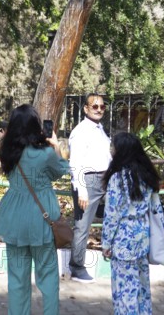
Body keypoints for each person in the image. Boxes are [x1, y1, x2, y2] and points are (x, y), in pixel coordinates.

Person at [0, 104, 69, 314]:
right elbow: (62, 170)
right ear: (35, 126)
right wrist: (55, 144)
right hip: (42, 220)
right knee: (48, 276)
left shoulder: (8, 153)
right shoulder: (45, 153)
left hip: (14, 219)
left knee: (17, 278)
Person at [101, 132, 164, 315]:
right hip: (142, 238)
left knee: (125, 290)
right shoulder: (146, 175)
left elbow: (112, 215)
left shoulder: (117, 178)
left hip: (122, 241)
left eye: (114, 147)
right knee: (142, 289)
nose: (112, 150)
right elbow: (157, 210)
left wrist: (106, 243)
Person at [68, 93, 111, 282]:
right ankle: (77, 267)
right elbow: (75, 163)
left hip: (104, 179)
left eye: (102, 106)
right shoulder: (81, 131)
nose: (99, 109)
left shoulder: (99, 129)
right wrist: (82, 189)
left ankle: (113, 255)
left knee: (114, 218)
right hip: (88, 180)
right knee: (82, 226)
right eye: (95, 106)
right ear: (86, 108)